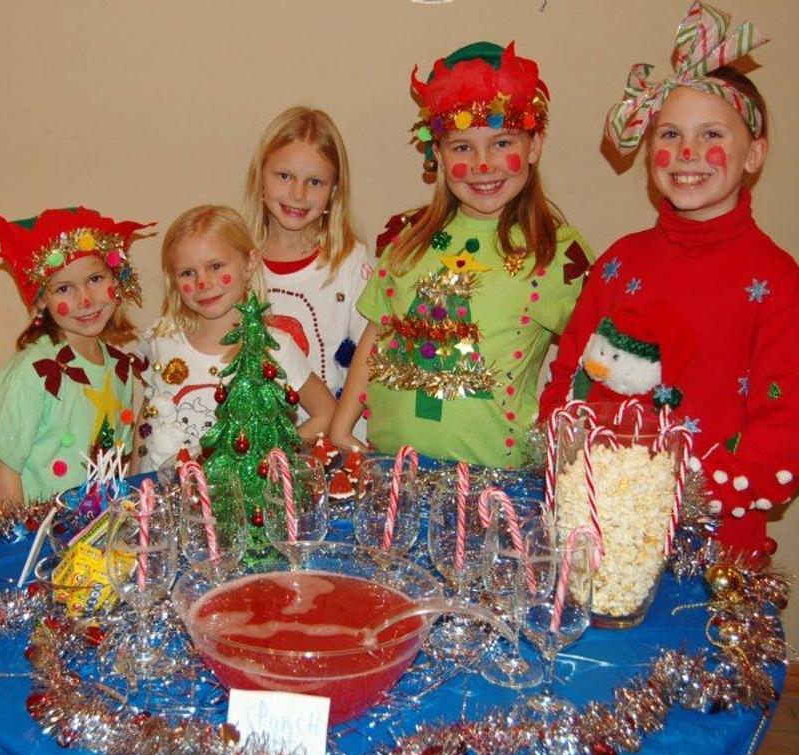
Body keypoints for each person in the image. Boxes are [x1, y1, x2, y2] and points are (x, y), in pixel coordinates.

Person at [538, 2, 799, 554]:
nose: (687, 153)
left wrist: (673, 498)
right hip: (599, 530)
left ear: (754, 154)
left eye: (711, 135)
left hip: (711, 548)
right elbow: (567, 380)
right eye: (670, 134)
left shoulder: (777, 280)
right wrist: (576, 472)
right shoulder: (620, 262)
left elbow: (783, 429)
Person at [330, 41, 592, 467]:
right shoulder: (409, 239)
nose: (482, 165)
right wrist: (342, 427)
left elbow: (598, 355)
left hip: (494, 476)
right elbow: (377, 334)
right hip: (391, 467)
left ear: (534, 145)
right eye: (462, 147)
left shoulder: (557, 251)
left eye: (502, 142)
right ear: (437, 152)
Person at [133, 205, 335, 473]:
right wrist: (131, 486)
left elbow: (326, 412)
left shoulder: (274, 348)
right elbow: (146, 422)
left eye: (216, 266)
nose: (203, 283)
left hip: (234, 497)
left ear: (249, 264)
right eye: (187, 273)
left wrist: (275, 458)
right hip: (158, 494)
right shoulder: (160, 339)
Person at [0, 207, 151, 502]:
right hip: (39, 528)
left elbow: (116, 461)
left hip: (96, 525)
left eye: (95, 279)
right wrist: (20, 531)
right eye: (64, 288)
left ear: (116, 279)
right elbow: (5, 471)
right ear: (41, 301)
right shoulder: (33, 372)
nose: (85, 300)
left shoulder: (119, 367)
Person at [243, 107, 372, 434]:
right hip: (256, 448)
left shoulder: (350, 263)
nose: (298, 194)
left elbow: (372, 358)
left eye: (314, 182)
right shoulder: (237, 263)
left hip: (336, 445)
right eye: (284, 176)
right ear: (260, 177)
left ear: (334, 190)